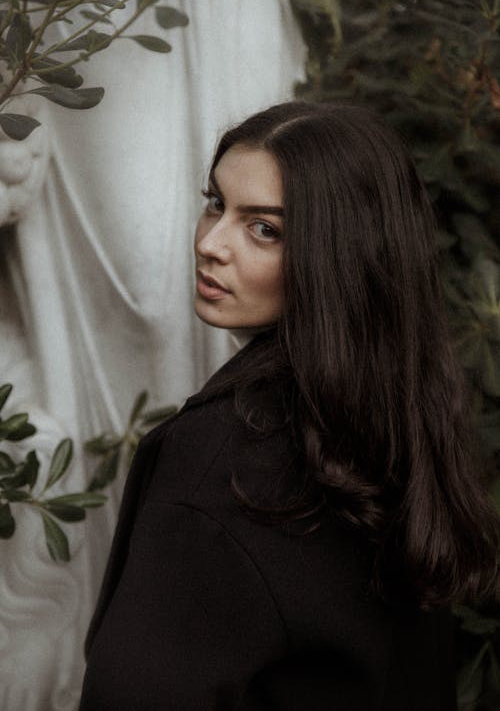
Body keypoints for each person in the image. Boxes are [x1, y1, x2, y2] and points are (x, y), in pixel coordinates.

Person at [79, 101, 499, 710]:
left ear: (341, 256)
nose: (211, 243)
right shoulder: (398, 413)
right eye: (216, 203)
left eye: (264, 228)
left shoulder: (218, 461)